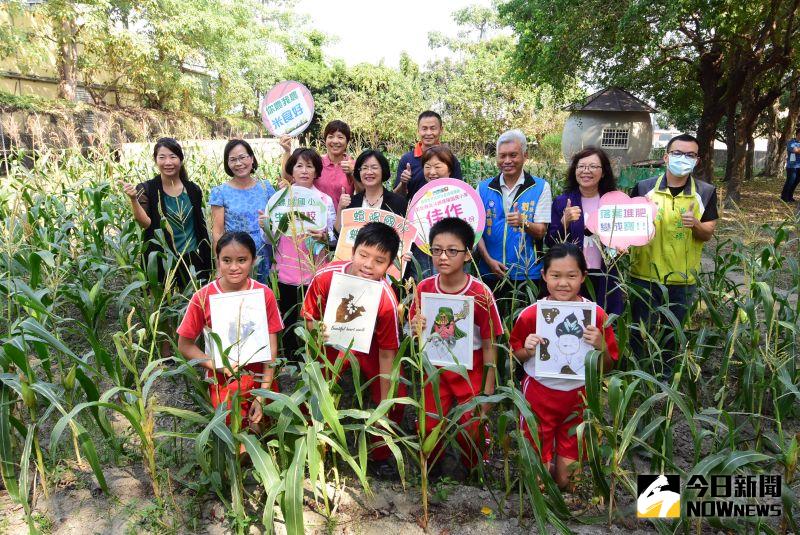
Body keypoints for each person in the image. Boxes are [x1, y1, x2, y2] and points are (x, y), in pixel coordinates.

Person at [510, 243, 619, 490]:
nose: (563, 283)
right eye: (555, 276)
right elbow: (515, 355)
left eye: (571, 276)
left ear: (583, 276)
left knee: (568, 481)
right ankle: (542, 463)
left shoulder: (596, 315)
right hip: (539, 394)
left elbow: (609, 365)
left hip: (578, 397)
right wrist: (527, 349)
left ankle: (562, 467)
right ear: (544, 275)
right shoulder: (531, 315)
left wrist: (601, 345)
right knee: (538, 483)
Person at [301, 222, 404, 479]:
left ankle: (379, 453)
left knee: (394, 393)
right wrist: (317, 333)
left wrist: (385, 392)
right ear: (353, 251)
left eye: (379, 261)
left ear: (390, 265)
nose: (368, 265)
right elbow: (309, 316)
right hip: (330, 344)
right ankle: (310, 440)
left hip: (371, 348)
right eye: (363, 255)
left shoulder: (386, 299)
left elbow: (387, 353)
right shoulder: (326, 276)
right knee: (314, 387)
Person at [409, 218, 502, 475]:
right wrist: (415, 325)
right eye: (437, 250)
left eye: (452, 251)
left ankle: (474, 469)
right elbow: (412, 331)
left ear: (468, 255)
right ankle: (433, 468)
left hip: (468, 366)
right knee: (428, 424)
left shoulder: (480, 293)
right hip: (434, 366)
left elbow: (489, 341)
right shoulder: (423, 288)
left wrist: (488, 387)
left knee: (471, 423)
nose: (443, 257)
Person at [629, 133, 718, 377]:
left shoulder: (706, 191)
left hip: (682, 279)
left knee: (672, 333)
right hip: (644, 275)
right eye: (678, 153)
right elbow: (628, 225)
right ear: (666, 157)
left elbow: (708, 232)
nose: (683, 159)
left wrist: (696, 225)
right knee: (639, 331)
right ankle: (638, 375)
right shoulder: (643, 187)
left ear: (697, 161)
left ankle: (666, 378)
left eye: (690, 155)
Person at [176, 232, 282, 433]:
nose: (234, 267)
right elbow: (185, 345)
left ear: (253, 260)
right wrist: (218, 365)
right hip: (224, 382)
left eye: (242, 260)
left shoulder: (264, 294)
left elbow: (271, 348)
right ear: (217, 261)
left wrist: (262, 394)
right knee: (235, 441)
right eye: (226, 260)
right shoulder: (203, 296)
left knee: (262, 432)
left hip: (261, 377)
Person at [269, 148, 335, 362]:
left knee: (315, 317)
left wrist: (324, 237)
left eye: (309, 166)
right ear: (291, 170)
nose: (304, 170)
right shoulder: (280, 199)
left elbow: (333, 238)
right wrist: (265, 226)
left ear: (316, 171)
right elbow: (267, 238)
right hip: (285, 268)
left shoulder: (324, 200)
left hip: (315, 270)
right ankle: (290, 359)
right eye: (299, 165)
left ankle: (316, 357)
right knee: (287, 316)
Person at [120, 137, 212, 289]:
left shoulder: (193, 189)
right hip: (163, 260)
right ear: (156, 160)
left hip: (193, 259)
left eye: (173, 157)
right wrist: (133, 199)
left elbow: (199, 226)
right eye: (162, 157)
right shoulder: (146, 189)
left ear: (181, 160)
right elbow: (145, 224)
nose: (168, 162)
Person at [476, 129, 552, 311]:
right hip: (490, 271)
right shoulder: (483, 188)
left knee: (521, 327)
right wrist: (488, 260)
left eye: (513, 155)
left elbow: (541, 231)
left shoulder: (540, 187)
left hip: (526, 273)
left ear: (525, 155)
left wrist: (523, 222)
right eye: (502, 156)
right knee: (492, 327)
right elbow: (476, 232)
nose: (507, 161)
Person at [546, 147, 623, 317]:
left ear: (603, 173)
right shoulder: (562, 202)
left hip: (605, 273)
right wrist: (564, 222)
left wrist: (623, 246)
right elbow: (550, 242)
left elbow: (624, 235)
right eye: (581, 166)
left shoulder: (614, 201)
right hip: (573, 275)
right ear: (575, 171)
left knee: (603, 321)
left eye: (593, 166)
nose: (586, 171)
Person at [210, 139, 276, 283]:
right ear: (227, 163)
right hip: (236, 257)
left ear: (252, 158)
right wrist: (219, 266)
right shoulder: (220, 192)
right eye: (233, 159)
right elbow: (217, 232)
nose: (238, 163)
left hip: (265, 253)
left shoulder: (266, 187)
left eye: (242, 157)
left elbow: (277, 221)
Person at [405, 145, 459, 281]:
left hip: (452, 260)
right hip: (423, 259)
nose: (432, 172)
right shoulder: (419, 198)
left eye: (438, 167)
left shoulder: (461, 196)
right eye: (427, 167)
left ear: (450, 169)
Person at [280, 120, 356, 211]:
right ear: (325, 140)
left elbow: (363, 191)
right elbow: (288, 178)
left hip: (345, 220)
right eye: (331, 137)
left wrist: (352, 173)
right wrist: (287, 151)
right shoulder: (315, 162)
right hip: (315, 219)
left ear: (347, 141)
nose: (335, 141)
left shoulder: (353, 164)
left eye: (340, 137)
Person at [392, 111, 463, 200]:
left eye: (433, 128)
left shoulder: (450, 159)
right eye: (424, 129)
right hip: (413, 212)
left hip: (443, 212)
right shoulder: (407, 159)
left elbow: (460, 192)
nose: (428, 133)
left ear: (441, 130)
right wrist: (403, 183)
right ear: (418, 130)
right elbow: (396, 197)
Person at [335, 149, 406, 234]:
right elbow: (338, 234)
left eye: (374, 167)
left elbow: (404, 236)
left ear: (383, 170)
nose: (369, 172)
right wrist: (340, 208)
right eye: (364, 168)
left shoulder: (398, 202)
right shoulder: (351, 202)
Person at [780, 127, 800, 202]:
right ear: (798, 134)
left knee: (796, 182)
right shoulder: (791, 142)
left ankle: (790, 196)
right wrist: (797, 150)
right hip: (792, 166)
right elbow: (795, 150)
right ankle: (784, 197)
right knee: (790, 181)